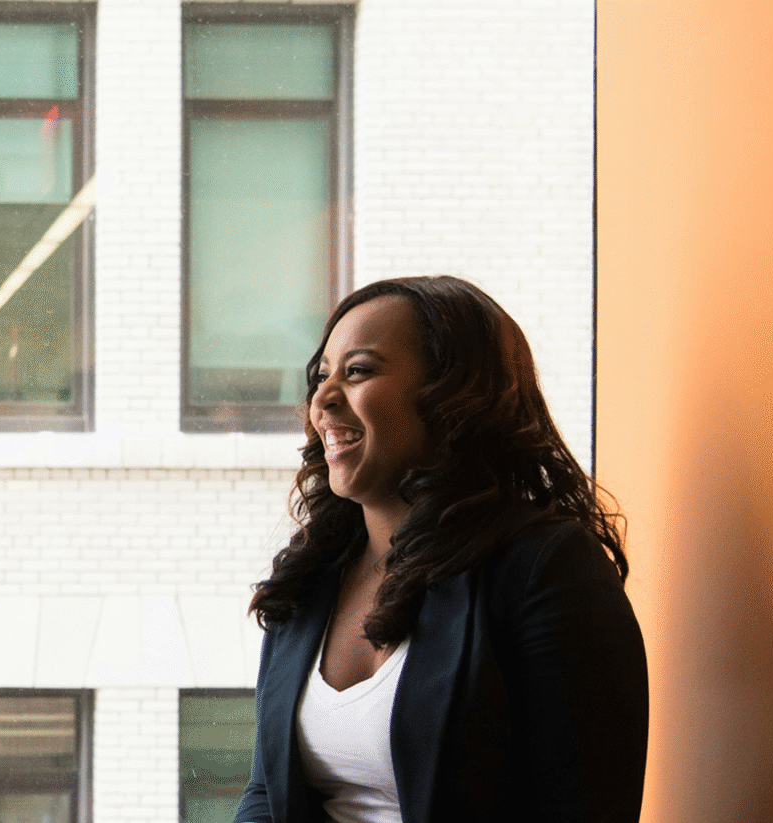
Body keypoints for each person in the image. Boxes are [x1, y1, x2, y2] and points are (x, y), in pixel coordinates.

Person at [233, 276, 648, 822]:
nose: (323, 400)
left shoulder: (546, 568)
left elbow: (587, 808)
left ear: (455, 398)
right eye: (321, 376)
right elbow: (268, 793)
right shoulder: (312, 572)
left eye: (357, 371)